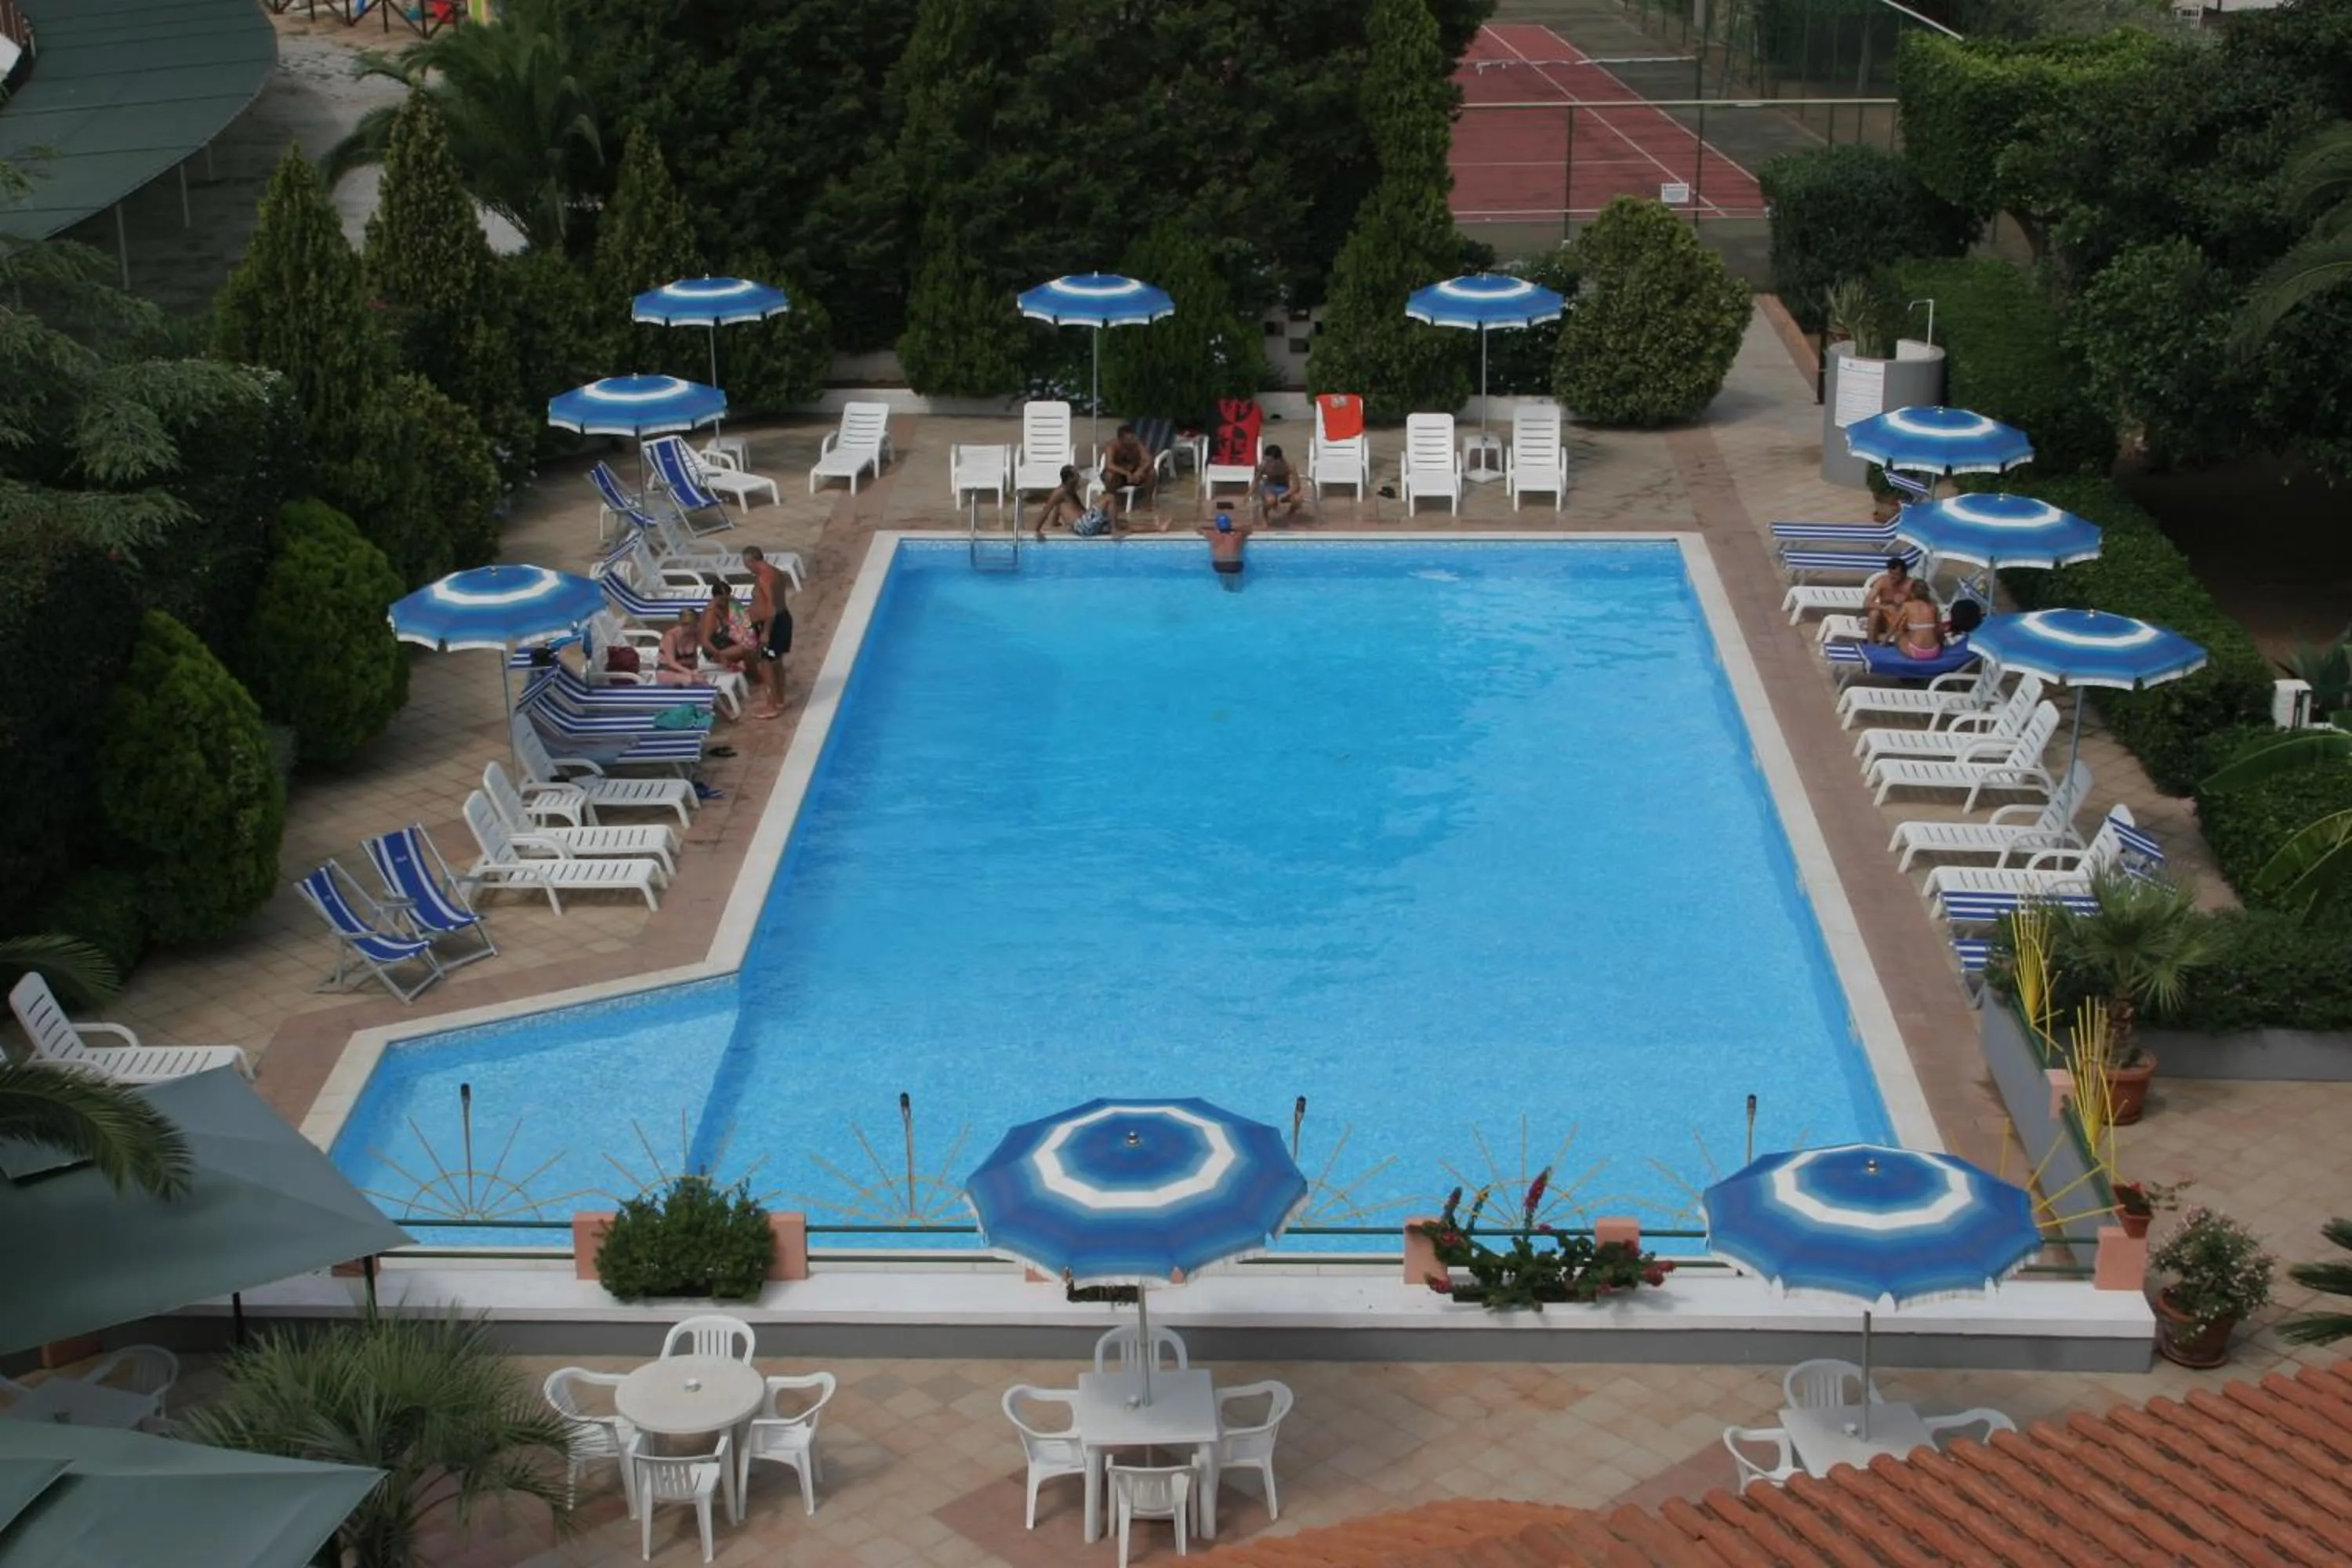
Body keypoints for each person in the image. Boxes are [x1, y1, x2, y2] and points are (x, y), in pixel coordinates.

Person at [740, 546, 793, 720]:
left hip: (772, 624)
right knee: (776, 662)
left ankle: (771, 706)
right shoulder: (776, 572)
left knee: (766, 665)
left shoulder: (765, 577)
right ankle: (779, 701)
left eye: (746, 564)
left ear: (751, 561)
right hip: (782, 620)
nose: (746, 568)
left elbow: (771, 606)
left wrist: (766, 631)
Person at [699, 580, 761, 689]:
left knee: (757, 638)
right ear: (715, 597)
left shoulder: (732, 603)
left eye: (727, 598)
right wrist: (719, 655)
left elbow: (744, 622)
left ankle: (753, 671)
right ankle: (757, 679)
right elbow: (705, 641)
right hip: (715, 650)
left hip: (730, 642)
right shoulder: (711, 614)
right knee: (745, 650)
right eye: (722, 599)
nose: (725, 602)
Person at [1097, 423, 1158, 522]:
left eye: (1132, 438)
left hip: (1134, 473)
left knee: (1152, 473)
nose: (1131, 442)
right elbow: (1109, 465)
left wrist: (1140, 471)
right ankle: (1111, 500)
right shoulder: (1112, 446)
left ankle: (1148, 501)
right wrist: (1126, 473)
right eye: (1128, 440)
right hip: (1119, 475)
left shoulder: (1136, 444)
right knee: (1109, 476)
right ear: (1120, 439)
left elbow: (1149, 460)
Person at [1862, 557, 1912, 643]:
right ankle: (1871, 644)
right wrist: (1887, 608)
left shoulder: (1911, 585)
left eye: (1896, 574)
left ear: (1904, 574)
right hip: (1885, 619)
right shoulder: (1883, 581)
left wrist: (1907, 600)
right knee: (1874, 614)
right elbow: (1866, 603)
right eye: (1890, 573)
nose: (1892, 577)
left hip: (1903, 621)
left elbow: (1923, 605)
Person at [1033, 465, 1090, 539]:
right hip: (1080, 525)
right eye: (1077, 474)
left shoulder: (1071, 490)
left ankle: (1054, 524)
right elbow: (1046, 511)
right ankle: (1054, 525)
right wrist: (1036, 530)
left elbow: (1080, 508)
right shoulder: (1060, 492)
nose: (1079, 476)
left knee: (1060, 504)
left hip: (1083, 523)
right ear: (1070, 478)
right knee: (1060, 503)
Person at [1197, 509, 1251, 586]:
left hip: (1220, 565)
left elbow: (1199, 529)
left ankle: (1225, 585)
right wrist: (1234, 528)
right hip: (1236, 565)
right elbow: (1248, 530)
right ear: (1230, 525)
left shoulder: (1214, 536)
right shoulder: (1237, 536)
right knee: (1236, 578)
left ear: (1218, 526)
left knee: (1223, 575)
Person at [1254, 443, 1304, 526]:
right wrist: (1250, 493)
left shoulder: (1289, 465)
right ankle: (1265, 517)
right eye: (1266, 460)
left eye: (1270, 460)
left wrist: (1284, 495)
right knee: (1271, 500)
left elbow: (1297, 486)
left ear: (1278, 459)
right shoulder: (1264, 465)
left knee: (1298, 498)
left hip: (1284, 488)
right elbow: (1256, 481)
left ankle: (1289, 514)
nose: (1268, 462)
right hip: (1269, 488)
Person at [1894, 579, 1944, 659]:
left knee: (1899, 635)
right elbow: (1940, 628)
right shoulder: (1933, 606)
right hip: (1934, 651)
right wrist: (1941, 643)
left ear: (1912, 592)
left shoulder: (1907, 605)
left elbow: (1895, 624)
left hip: (1916, 651)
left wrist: (1885, 639)